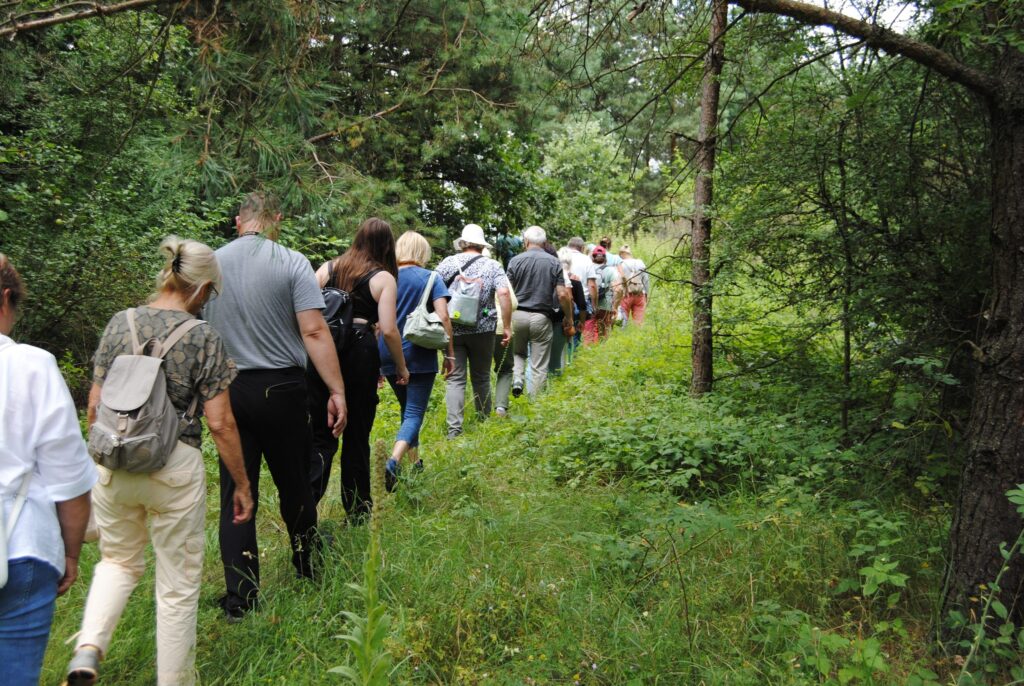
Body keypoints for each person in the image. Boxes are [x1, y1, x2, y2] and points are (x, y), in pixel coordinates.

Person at [67, 238, 254, 685]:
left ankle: (89, 648)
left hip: (115, 464)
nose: (209, 300)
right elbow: (221, 423)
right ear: (201, 287)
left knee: (117, 561)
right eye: (211, 293)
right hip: (174, 468)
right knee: (177, 585)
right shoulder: (204, 336)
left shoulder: (119, 323)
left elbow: (95, 406)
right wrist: (242, 483)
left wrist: (103, 460)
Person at [203, 192, 346, 622]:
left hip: (226, 389)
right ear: (276, 220)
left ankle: (240, 598)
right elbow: (315, 331)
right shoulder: (292, 261)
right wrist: (337, 390)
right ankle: (306, 566)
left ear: (237, 221)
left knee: (237, 490)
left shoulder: (209, 265)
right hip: (282, 389)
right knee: (295, 482)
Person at [0, 255, 95, 686]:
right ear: (6, 300)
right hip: (20, 546)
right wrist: (70, 554)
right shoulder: (31, 365)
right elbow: (69, 478)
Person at [313, 218, 408, 517]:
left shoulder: (327, 269)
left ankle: (305, 505)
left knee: (322, 431)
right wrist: (401, 367)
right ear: (387, 246)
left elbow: (306, 311)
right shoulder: (383, 279)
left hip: (325, 352)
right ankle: (357, 509)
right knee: (357, 433)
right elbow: (390, 330)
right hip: (360, 355)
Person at [435, 224, 512, 438]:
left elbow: (432, 288)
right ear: (481, 244)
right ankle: (484, 421)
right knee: (481, 377)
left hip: (453, 329)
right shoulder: (493, 265)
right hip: (484, 329)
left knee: (455, 378)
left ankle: (454, 430)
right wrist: (506, 326)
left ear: (462, 243)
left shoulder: (448, 263)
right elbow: (504, 293)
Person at [506, 226, 573, 397]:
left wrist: (505, 320)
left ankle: (518, 379)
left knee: (518, 353)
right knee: (539, 364)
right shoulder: (553, 262)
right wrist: (569, 317)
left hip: (517, 316)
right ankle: (534, 404)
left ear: (526, 241)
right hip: (542, 318)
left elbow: (507, 293)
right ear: (544, 243)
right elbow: (563, 294)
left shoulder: (515, 261)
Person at [489, 246, 518, 418]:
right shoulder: (495, 270)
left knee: (480, 371)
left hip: (472, 327)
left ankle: (482, 409)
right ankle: (500, 407)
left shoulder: (459, 269)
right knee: (505, 368)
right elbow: (512, 302)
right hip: (500, 326)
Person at [583, 245, 621, 344]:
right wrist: (615, 306)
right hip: (606, 306)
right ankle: (601, 351)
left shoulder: (586, 268)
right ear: (605, 258)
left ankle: (588, 351)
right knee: (603, 334)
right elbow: (618, 289)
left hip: (588, 304)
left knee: (588, 333)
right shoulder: (611, 270)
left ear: (592, 257)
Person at [565, 237, 597, 352]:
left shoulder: (560, 256)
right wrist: (594, 305)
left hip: (562, 299)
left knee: (562, 333)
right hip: (580, 302)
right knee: (576, 332)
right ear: (582, 248)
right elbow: (592, 285)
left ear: (568, 245)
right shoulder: (586, 260)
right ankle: (572, 360)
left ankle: (562, 361)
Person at [618, 244, 650, 326]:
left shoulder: (620, 264)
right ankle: (639, 335)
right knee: (639, 322)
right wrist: (646, 294)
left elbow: (617, 280)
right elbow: (646, 280)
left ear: (621, 254)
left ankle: (623, 334)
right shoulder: (640, 262)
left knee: (623, 321)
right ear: (630, 253)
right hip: (640, 294)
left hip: (625, 295)